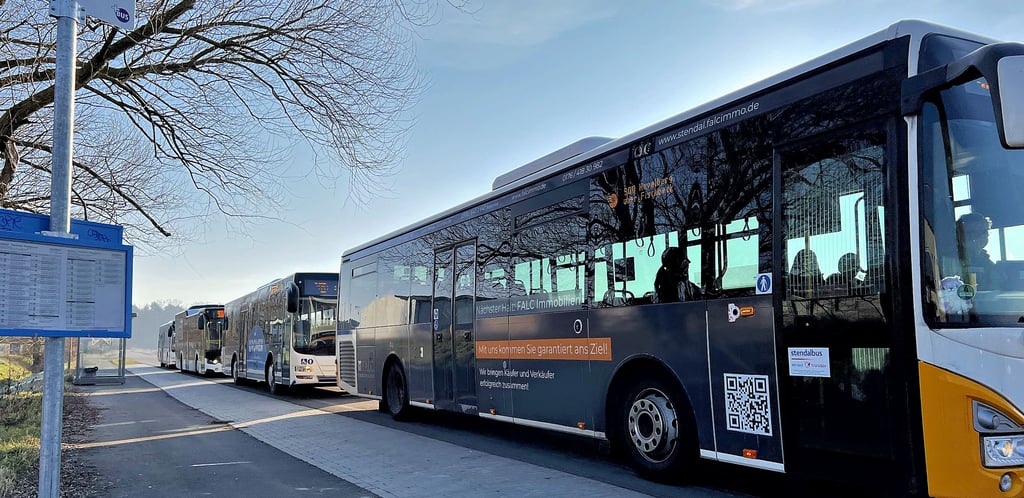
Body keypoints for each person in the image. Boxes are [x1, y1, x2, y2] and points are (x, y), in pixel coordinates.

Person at [957, 212, 998, 289]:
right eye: (970, 233)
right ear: (959, 235)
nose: (977, 237)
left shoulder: (987, 262)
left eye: (983, 231)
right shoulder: (951, 259)